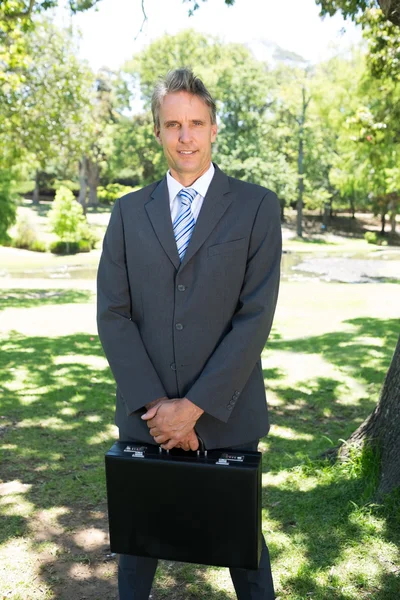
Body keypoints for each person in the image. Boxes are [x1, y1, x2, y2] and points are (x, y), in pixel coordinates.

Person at [97, 67, 282, 600]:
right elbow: (113, 313)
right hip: (146, 420)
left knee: (246, 556)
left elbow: (256, 314)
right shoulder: (129, 213)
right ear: (157, 131)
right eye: (173, 124)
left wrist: (194, 408)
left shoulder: (256, 206)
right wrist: (161, 410)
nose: (185, 137)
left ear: (214, 128)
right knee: (135, 556)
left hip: (226, 415)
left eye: (196, 123)